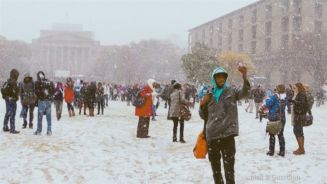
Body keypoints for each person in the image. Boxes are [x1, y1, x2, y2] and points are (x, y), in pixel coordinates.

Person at [199, 65, 250, 184]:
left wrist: (244, 76)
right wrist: (202, 104)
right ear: (214, 79)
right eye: (218, 77)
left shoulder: (231, 91)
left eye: (223, 77)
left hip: (228, 135)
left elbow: (245, 93)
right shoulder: (209, 93)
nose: (221, 80)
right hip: (212, 135)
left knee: (229, 169)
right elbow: (203, 116)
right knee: (216, 170)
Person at [260, 84, 287, 157]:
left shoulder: (275, 96)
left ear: (278, 89)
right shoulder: (285, 97)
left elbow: (268, 104)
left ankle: (271, 151)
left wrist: (267, 99)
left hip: (274, 117)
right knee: (280, 134)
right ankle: (282, 151)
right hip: (282, 118)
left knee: (272, 134)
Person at [289, 83, 307, 155]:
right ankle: (300, 148)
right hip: (297, 115)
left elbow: (301, 104)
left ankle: (301, 149)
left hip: (299, 115)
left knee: (298, 131)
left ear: (299, 87)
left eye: (295, 87)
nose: (294, 88)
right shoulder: (298, 93)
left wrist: (293, 101)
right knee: (297, 131)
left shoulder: (301, 94)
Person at [34, 71, 54, 136]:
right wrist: (50, 97)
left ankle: (39, 130)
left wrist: (39, 96)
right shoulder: (48, 82)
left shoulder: (38, 83)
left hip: (41, 101)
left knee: (40, 117)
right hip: (48, 101)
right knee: (49, 117)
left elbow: (36, 92)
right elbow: (52, 90)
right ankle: (49, 130)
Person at [2, 69, 20, 134]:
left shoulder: (8, 81)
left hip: (9, 99)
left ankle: (5, 126)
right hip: (12, 100)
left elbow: (2, 89)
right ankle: (12, 129)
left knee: (8, 113)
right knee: (12, 114)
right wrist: (11, 97)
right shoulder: (13, 82)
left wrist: (6, 97)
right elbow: (16, 91)